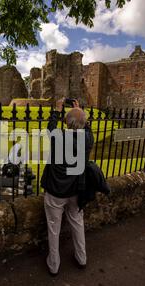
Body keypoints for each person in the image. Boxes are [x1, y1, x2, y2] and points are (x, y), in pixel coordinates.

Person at [40, 98, 94, 276]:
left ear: (66, 123)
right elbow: (86, 128)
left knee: (54, 228)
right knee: (77, 224)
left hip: (56, 191)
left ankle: (54, 265)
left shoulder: (58, 137)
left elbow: (50, 128)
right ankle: (82, 258)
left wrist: (57, 110)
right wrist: (79, 111)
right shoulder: (86, 139)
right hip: (76, 191)